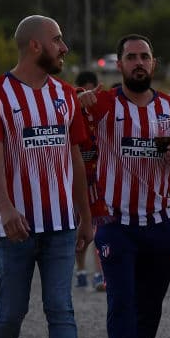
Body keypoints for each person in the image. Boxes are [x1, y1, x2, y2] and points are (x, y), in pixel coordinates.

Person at [0, 16, 93, 338]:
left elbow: (75, 155)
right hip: (16, 228)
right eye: (58, 40)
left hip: (60, 224)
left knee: (61, 310)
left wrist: (85, 215)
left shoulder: (64, 94)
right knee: (11, 312)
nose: (65, 47)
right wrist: (5, 208)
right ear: (36, 47)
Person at [84, 34, 170, 338]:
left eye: (144, 56)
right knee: (121, 301)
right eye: (131, 57)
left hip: (160, 223)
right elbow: (73, 129)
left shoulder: (168, 107)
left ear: (154, 63)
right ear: (119, 64)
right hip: (116, 223)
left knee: (150, 304)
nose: (138, 63)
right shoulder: (102, 104)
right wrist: (79, 105)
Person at [73, 69, 107, 292]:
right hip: (76, 181)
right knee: (81, 229)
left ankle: (101, 275)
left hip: (98, 181)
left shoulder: (101, 112)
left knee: (101, 230)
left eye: (90, 88)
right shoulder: (72, 112)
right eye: (82, 89)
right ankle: (81, 270)